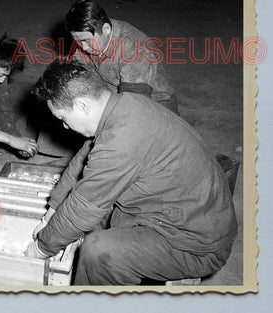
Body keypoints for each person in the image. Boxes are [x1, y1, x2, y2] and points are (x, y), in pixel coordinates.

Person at [26, 62, 237, 285]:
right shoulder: (125, 105)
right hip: (190, 213)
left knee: (98, 251)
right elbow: (83, 160)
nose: (65, 127)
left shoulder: (122, 140)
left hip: (197, 245)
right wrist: (53, 209)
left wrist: (40, 248)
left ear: (82, 105)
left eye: (62, 118)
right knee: (88, 217)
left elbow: (82, 208)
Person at [65, 0, 179, 115]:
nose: (83, 47)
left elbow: (133, 104)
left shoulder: (135, 49)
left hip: (154, 105)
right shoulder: (90, 36)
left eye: (87, 41)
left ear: (106, 29)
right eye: (78, 42)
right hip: (115, 93)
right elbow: (77, 71)